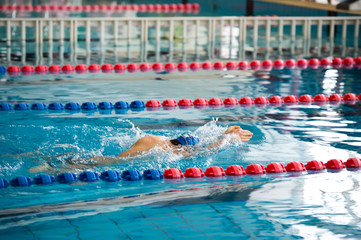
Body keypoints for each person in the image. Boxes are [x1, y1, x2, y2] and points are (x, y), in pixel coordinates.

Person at [29, 125, 253, 172]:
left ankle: (48, 161)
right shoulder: (156, 145)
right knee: (109, 162)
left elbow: (202, 149)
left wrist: (226, 135)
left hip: (96, 156)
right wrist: (226, 139)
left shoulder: (159, 142)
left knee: (107, 160)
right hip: (94, 161)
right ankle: (51, 166)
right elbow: (205, 151)